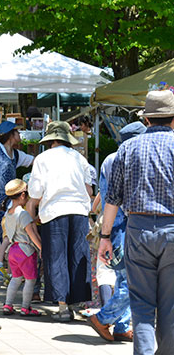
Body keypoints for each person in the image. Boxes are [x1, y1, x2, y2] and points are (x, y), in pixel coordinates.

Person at [101, 90, 174, 354]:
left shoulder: (128, 148)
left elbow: (113, 198)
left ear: (147, 120)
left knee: (141, 305)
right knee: (170, 306)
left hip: (138, 229)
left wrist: (104, 237)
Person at [26, 120, 93, 322]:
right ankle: (77, 301)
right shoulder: (79, 158)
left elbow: (35, 193)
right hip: (79, 211)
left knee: (56, 257)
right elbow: (89, 190)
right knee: (78, 256)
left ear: (50, 140)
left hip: (54, 211)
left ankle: (63, 306)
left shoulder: (42, 158)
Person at [87, 121, 143, 343]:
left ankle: (121, 326)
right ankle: (103, 318)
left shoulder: (110, 159)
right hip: (124, 226)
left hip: (113, 228)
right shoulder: (128, 159)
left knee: (123, 278)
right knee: (131, 282)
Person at [0, 178, 42, 316]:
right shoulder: (22, 213)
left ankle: (8, 305)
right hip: (25, 251)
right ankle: (25, 307)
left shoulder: (8, 213)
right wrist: (41, 248)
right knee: (30, 280)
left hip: (13, 250)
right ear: (23, 195)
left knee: (15, 279)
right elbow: (31, 233)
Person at [0, 121, 34, 235]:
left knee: (7, 232)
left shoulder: (16, 154)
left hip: (9, 202)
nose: (19, 134)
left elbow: (33, 161)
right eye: (16, 131)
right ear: (11, 134)